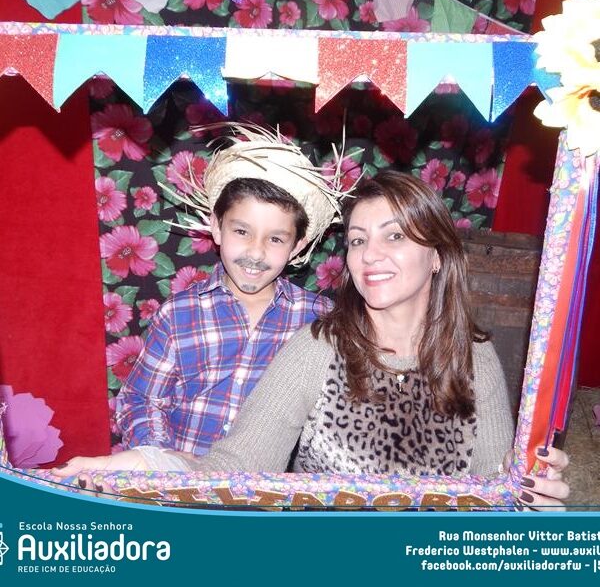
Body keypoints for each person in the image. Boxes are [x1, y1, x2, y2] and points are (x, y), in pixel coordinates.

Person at [54, 171, 569, 510]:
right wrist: (148, 464)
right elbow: (237, 467)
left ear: (437, 254)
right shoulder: (318, 345)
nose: (370, 255)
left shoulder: (474, 356)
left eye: (394, 236)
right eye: (358, 240)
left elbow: (494, 494)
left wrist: (529, 494)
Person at [100, 124, 345, 460]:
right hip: (181, 481)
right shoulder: (180, 313)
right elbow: (140, 400)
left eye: (275, 239)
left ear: (298, 246)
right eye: (242, 231)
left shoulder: (319, 321)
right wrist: (166, 458)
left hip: (265, 487)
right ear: (216, 227)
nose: (256, 252)